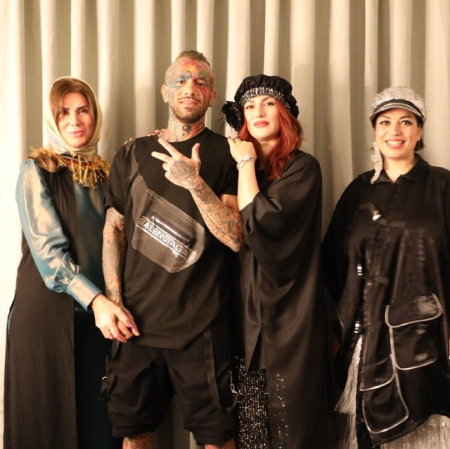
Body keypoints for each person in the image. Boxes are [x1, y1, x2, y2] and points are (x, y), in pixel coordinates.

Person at [102, 50, 243, 449]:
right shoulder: (131, 152)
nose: (189, 88)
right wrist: (114, 300)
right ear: (165, 91)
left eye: (200, 82)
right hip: (136, 327)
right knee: (134, 435)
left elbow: (236, 237)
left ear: (212, 95)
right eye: (180, 80)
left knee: (217, 438)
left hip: (202, 326)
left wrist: (194, 183)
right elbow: (114, 230)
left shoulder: (229, 153)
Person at [4, 77, 132, 449]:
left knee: (100, 429)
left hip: (100, 320)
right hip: (47, 318)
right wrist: (98, 301)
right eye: (64, 112)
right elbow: (49, 254)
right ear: (52, 118)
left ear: (95, 115)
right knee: (47, 427)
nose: (74, 120)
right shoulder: (37, 170)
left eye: (83, 110)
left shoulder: (109, 174)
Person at [322, 86, 450, 448]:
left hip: (429, 344)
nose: (395, 131)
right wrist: (336, 332)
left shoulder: (442, 185)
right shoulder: (359, 191)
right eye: (385, 122)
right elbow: (331, 265)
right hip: (363, 345)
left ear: (419, 131)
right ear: (375, 131)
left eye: (406, 122)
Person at [222, 74, 337, 449]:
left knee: (295, 428)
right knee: (251, 431)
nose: (258, 112)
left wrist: (245, 163)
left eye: (268, 103)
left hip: (292, 319)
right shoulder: (233, 168)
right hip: (243, 319)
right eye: (249, 106)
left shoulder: (303, 168)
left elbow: (259, 223)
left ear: (284, 112)